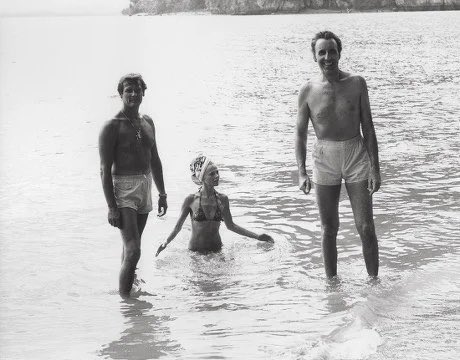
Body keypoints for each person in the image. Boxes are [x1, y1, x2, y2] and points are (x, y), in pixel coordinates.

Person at [295, 31, 381, 278]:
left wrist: (375, 168)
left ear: (339, 53)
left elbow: (369, 127)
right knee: (328, 228)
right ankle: (331, 286)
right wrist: (301, 173)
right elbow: (300, 134)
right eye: (321, 52)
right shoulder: (308, 90)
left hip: (356, 153)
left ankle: (373, 282)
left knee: (365, 226)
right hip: (325, 156)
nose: (327, 57)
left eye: (332, 51)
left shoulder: (357, 83)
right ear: (314, 56)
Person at [99, 73, 168, 298]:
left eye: (137, 90)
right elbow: (104, 169)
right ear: (120, 94)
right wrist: (111, 206)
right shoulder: (112, 126)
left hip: (145, 185)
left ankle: (129, 287)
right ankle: (126, 302)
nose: (133, 94)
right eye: (128, 90)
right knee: (134, 249)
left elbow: (155, 159)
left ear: (143, 93)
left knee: (130, 248)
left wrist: (162, 193)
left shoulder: (148, 122)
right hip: (123, 189)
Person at [155, 155, 273, 256]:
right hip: (195, 253)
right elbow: (177, 228)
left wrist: (257, 237)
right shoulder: (190, 200)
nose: (217, 176)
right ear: (202, 178)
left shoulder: (223, 199)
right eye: (212, 174)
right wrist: (166, 242)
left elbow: (231, 226)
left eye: (217, 172)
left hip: (217, 251)